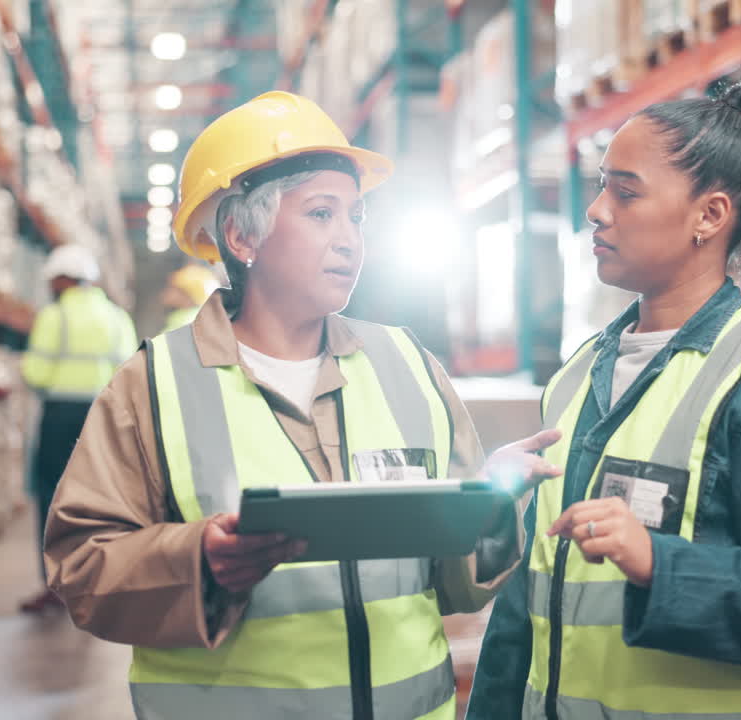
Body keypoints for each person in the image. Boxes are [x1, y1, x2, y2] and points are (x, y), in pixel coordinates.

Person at [42, 91, 560, 719]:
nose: (350, 241)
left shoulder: (406, 365)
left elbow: (458, 584)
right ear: (242, 235)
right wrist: (200, 562)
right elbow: (82, 567)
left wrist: (486, 504)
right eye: (321, 214)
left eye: (356, 217)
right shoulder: (152, 387)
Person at [467, 82, 741, 719]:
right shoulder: (575, 379)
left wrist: (659, 564)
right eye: (602, 187)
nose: (596, 211)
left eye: (625, 192)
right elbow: (528, 608)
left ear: (710, 215)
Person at [19, 243, 136, 613]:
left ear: (64, 279)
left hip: (59, 414)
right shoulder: (117, 318)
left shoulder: (54, 316)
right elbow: (129, 374)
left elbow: (35, 372)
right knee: (99, 498)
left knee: (52, 498)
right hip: (102, 417)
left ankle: (56, 585)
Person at [161, 263, 217, 332]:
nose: (167, 291)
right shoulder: (192, 319)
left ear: (186, 295)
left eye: (173, 287)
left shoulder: (184, 323)